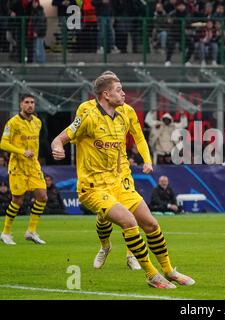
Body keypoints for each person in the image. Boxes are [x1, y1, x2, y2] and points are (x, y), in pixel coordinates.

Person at [51, 72, 194, 289]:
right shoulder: (88, 114)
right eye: (119, 90)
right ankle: (151, 274)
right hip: (94, 187)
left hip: (121, 182)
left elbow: (139, 137)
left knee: (152, 224)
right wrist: (57, 146)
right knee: (128, 221)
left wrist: (147, 160)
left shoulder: (125, 114)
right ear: (106, 94)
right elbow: (61, 137)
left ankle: (169, 270)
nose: (124, 93)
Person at [0, 94, 48, 245]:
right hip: (18, 167)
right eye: (27, 102)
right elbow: (3, 144)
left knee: (42, 196)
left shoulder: (38, 122)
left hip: (33, 166)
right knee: (18, 201)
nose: (30, 105)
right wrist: (22, 151)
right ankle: (6, 233)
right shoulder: (13, 122)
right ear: (21, 104)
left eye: (32, 102)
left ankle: (31, 231)